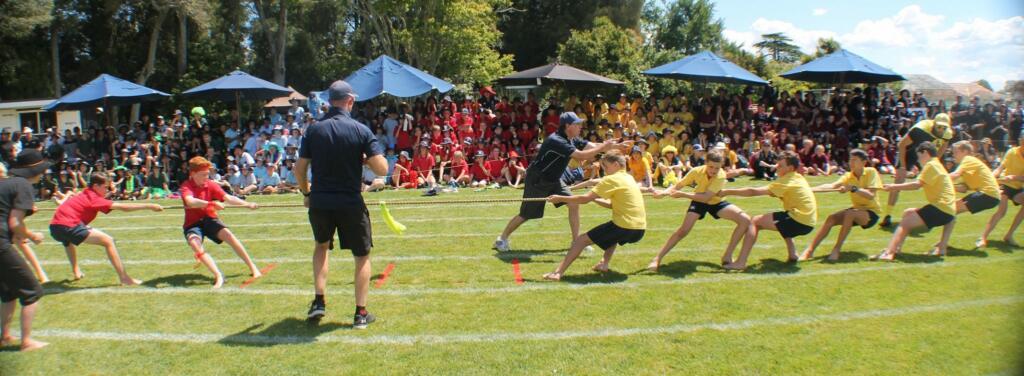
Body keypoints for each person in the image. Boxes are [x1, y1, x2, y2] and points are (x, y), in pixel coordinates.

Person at [295, 80, 388, 329]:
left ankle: (319, 301)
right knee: (362, 256)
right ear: (350, 100)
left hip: (321, 201)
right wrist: (364, 159)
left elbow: (299, 169)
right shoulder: (360, 130)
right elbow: (382, 168)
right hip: (350, 202)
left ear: (329, 101)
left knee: (321, 247)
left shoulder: (313, 130)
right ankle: (360, 313)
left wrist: (306, 193)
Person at [494, 112, 628, 252]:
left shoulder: (572, 138)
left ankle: (576, 242)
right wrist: (604, 147)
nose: (580, 127)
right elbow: (581, 155)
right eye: (577, 124)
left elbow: (591, 145)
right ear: (567, 126)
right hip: (538, 179)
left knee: (574, 203)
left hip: (554, 178)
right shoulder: (556, 140)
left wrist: (615, 146)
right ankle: (502, 239)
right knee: (527, 214)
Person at [542, 151, 645, 281]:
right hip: (639, 229)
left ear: (616, 164)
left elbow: (584, 199)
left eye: (606, 167)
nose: (605, 171)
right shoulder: (629, 178)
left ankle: (557, 273)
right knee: (611, 235)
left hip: (625, 226)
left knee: (580, 240)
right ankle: (604, 264)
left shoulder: (611, 179)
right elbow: (611, 205)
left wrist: (560, 198)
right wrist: (594, 199)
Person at [49, 173, 162, 285]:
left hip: (55, 227)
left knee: (68, 242)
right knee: (108, 241)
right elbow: (122, 207)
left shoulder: (85, 193)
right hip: (68, 225)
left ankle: (76, 272)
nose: (107, 190)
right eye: (105, 187)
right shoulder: (93, 198)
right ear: (95, 186)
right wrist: (150, 206)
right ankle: (125, 278)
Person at [647, 151, 753, 270]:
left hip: (715, 201)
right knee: (683, 231)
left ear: (721, 167)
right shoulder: (696, 171)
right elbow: (678, 185)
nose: (713, 170)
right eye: (711, 166)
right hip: (698, 201)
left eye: (717, 168)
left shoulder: (721, 175)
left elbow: (706, 197)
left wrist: (684, 195)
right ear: (705, 163)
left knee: (745, 220)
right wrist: (663, 192)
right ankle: (657, 259)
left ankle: (727, 256)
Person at [717, 151, 817, 270]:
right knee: (779, 220)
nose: (776, 167)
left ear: (790, 168)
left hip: (799, 219)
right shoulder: (797, 177)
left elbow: (753, 191)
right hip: (809, 222)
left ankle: (740, 262)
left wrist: (727, 191)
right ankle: (793, 254)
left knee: (754, 221)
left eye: (780, 166)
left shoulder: (786, 181)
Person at [180, 156, 263, 289]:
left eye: (208, 174)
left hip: (209, 219)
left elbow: (228, 198)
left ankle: (253, 268)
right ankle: (218, 275)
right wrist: (210, 203)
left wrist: (247, 204)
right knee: (195, 244)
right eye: (203, 175)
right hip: (193, 224)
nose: (207, 177)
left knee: (229, 236)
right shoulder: (186, 186)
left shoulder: (210, 184)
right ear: (193, 174)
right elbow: (190, 201)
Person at [0, 150, 49, 351]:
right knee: (32, 291)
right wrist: (33, 236)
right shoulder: (23, 185)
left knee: (9, 292)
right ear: (34, 170)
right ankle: (26, 342)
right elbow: (14, 223)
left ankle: (3, 336)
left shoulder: (7, 184)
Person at [874, 142, 957, 260]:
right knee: (908, 212)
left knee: (905, 223)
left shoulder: (931, 165)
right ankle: (897, 249)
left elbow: (916, 185)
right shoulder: (937, 164)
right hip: (948, 211)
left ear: (925, 153)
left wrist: (893, 187)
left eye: (919, 156)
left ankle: (889, 253)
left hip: (941, 208)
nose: (918, 160)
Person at [801, 149, 883, 261]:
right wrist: (809, 189)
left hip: (871, 213)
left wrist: (853, 188)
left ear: (864, 162)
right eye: (850, 160)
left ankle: (836, 250)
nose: (851, 162)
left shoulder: (871, 172)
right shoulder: (848, 176)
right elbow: (832, 185)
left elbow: (870, 195)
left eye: (855, 160)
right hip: (856, 210)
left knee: (850, 214)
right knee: (831, 218)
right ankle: (809, 251)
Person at [881, 113, 952, 227]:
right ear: (933, 124)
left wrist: (935, 162)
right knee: (899, 180)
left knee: (935, 181)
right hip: (910, 150)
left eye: (944, 127)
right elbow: (902, 145)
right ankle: (888, 215)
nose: (941, 130)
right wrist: (903, 167)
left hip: (926, 153)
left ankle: (938, 210)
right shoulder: (920, 129)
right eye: (939, 126)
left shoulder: (947, 133)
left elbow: (944, 146)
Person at [978, 131, 1024, 248]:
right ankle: (983, 237)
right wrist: (992, 176)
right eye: (1022, 140)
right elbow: (1000, 168)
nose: (1022, 143)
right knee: (1001, 212)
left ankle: (1009, 235)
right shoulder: (1012, 152)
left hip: (1017, 186)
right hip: (1005, 185)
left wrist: (1015, 177)